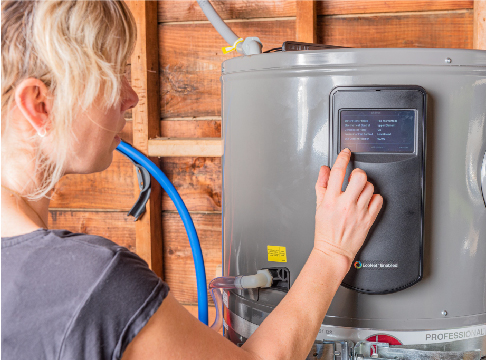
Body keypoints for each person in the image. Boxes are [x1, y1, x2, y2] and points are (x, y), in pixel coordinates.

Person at [1, 1, 383, 359]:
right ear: (39, 104)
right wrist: (332, 253)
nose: (132, 97)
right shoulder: (91, 284)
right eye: (111, 76)